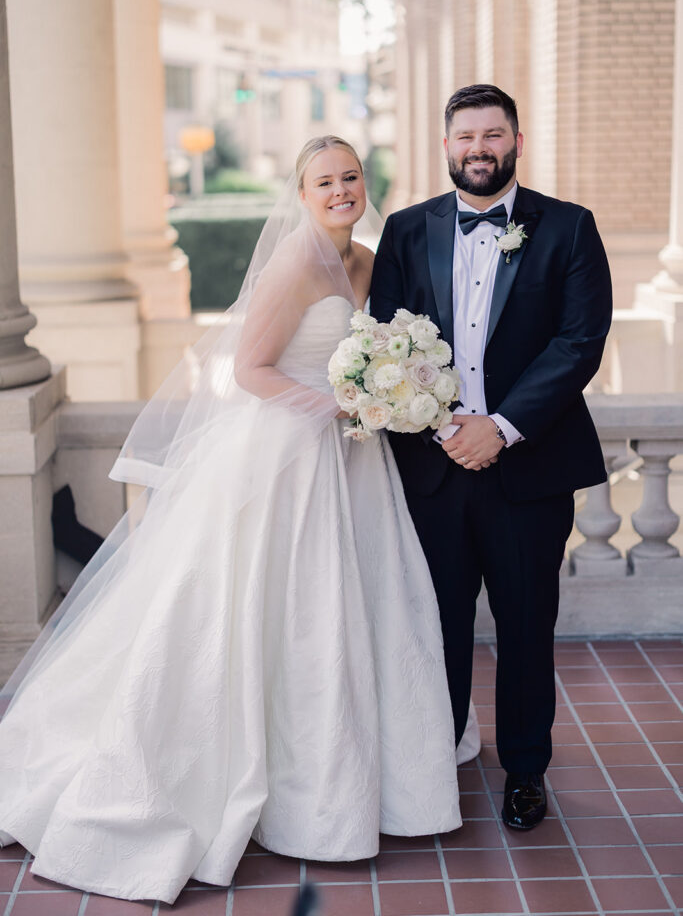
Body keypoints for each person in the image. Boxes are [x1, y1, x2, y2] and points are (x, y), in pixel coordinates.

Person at [0, 135, 478, 904]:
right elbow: (249, 369)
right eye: (323, 181)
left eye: (350, 178)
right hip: (292, 453)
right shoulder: (296, 262)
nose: (339, 191)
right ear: (299, 193)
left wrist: (387, 395)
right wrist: (343, 404)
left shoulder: (363, 259)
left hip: (355, 459)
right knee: (276, 612)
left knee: (364, 605)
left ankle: (374, 774)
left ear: (365, 185)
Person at [370, 85, 612, 831]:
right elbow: (384, 340)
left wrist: (500, 427)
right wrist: (443, 425)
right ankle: (431, 765)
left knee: (524, 624)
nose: (479, 147)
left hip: (530, 471)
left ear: (515, 140)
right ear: (445, 146)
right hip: (433, 469)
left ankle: (525, 771)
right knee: (432, 623)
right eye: (465, 135)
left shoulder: (568, 228)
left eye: (492, 134)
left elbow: (577, 342)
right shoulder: (406, 231)